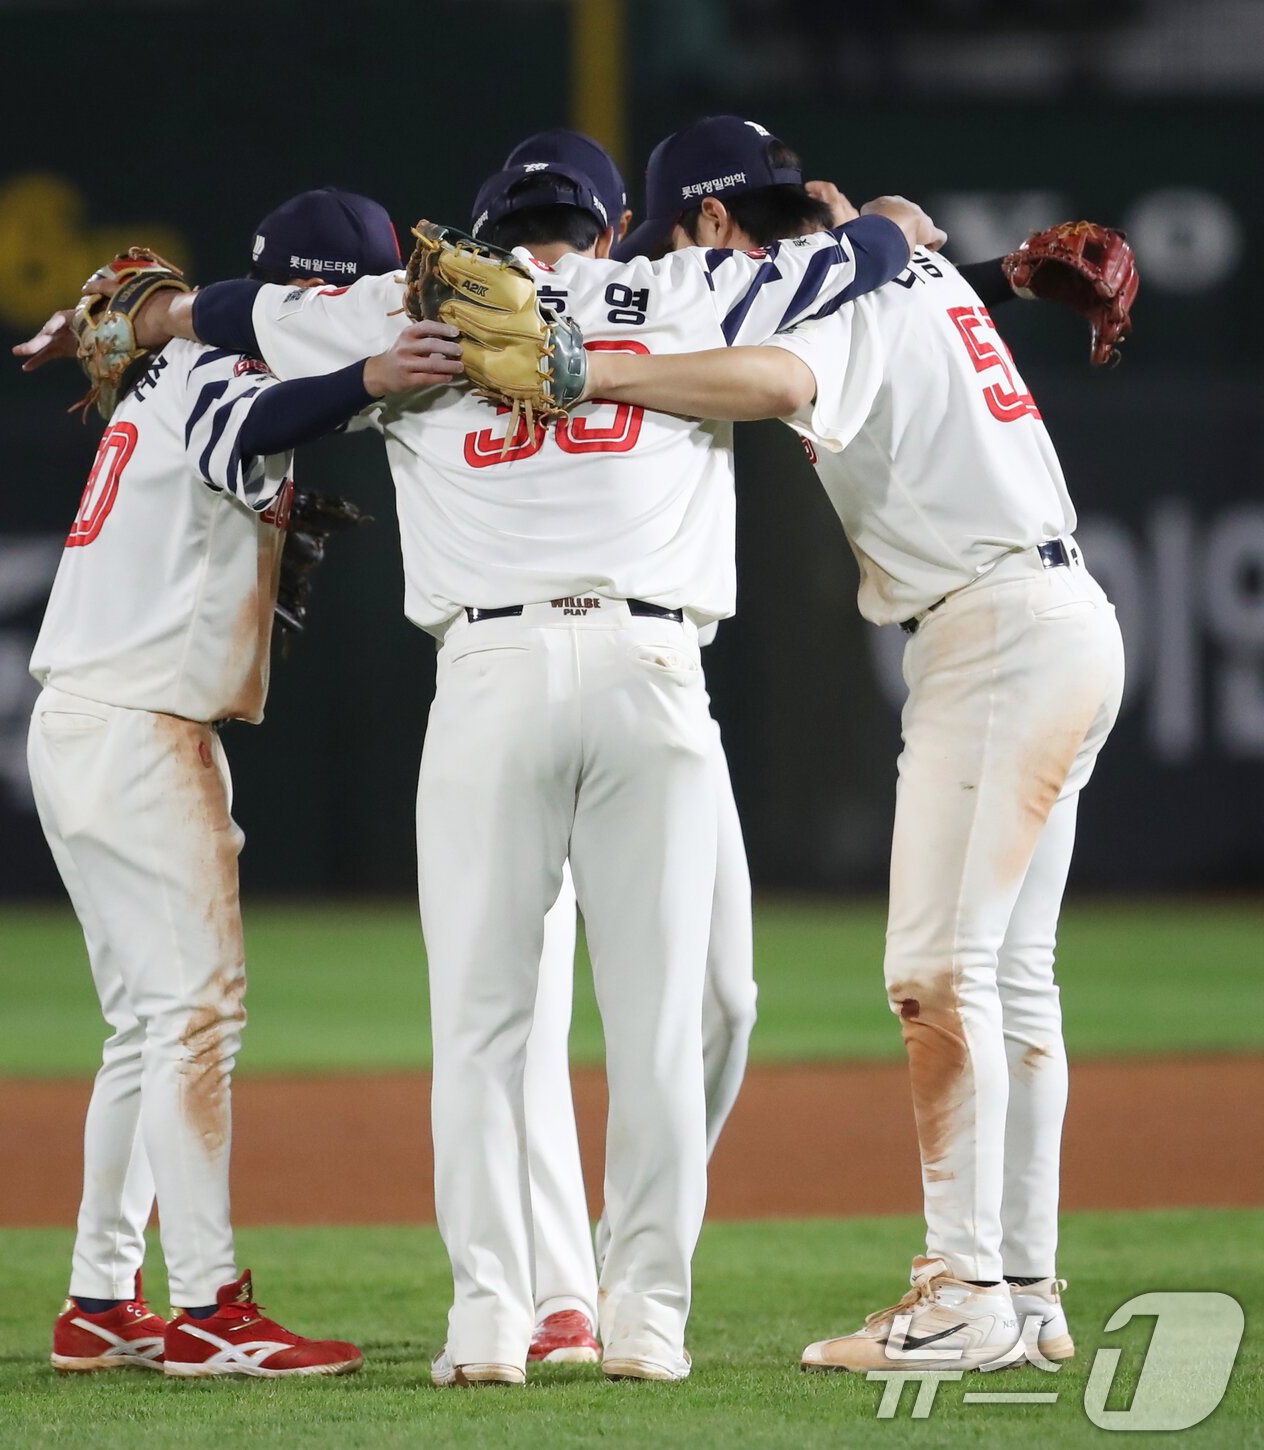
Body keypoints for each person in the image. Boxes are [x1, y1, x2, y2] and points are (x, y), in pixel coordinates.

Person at [73, 166, 938, 1385]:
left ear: (480, 234)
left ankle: (488, 1318)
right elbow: (848, 270)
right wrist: (890, 228)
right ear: (609, 225)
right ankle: (644, 1319)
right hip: (651, 672)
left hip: (488, 675)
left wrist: (161, 313)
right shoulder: (680, 289)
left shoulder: (409, 308)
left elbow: (238, 315)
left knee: (480, 1026)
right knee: (656, 1028)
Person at [575, 121, 1126, 1372]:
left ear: (714, 222)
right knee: (1012, 976)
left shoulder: (838, 289)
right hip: (1060, 615)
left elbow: (777, 381)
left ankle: (964, 1293)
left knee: (936, 970)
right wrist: (973, 265)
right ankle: (1023, 1289)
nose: (681, 266)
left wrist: (588, 373)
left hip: (994, 632)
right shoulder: (895, 270)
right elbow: (884, 275)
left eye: (681, 238)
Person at [23, 189, 460, 1378]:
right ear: (317, 294)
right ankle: (210, 1308)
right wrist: (367, 375)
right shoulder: (224, 364)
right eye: (358, 296)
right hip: (138, 726)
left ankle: (101, 1297)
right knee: (196, 1018)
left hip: (90, 715)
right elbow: (264, 409)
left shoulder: (176, 366)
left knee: (144, 1025)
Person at [493, 129, 756, 1370]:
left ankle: (630, 1241)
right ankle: (563, 1289)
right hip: (513, 663)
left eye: (554, 224)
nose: (538, 245)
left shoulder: (674, 299)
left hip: (657, 670)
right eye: (520, 229)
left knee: (719, 1001)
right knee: (527, 1003)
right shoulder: (463, 316)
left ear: (610, 233)